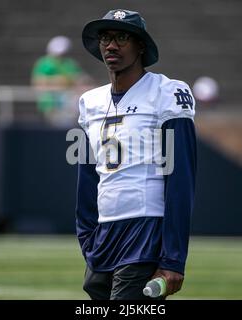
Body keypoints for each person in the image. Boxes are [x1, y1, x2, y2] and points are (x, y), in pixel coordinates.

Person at [75, 9, 197, 300]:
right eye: (105, 38)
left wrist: (173, 257)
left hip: (146, 228)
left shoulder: (167, 92)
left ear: (140, 45)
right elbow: (87, 176)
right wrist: (86, 236)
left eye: (121, 38)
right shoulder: (89, 101)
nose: (111, 45)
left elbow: (181, 176)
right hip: (104, 233)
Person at [31, 35, 91, 127]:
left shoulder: (69, 63)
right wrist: (60, 81)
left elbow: (80, 79)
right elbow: (38, 82)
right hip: (52, 104)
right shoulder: (44, 63)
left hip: (69, 105)